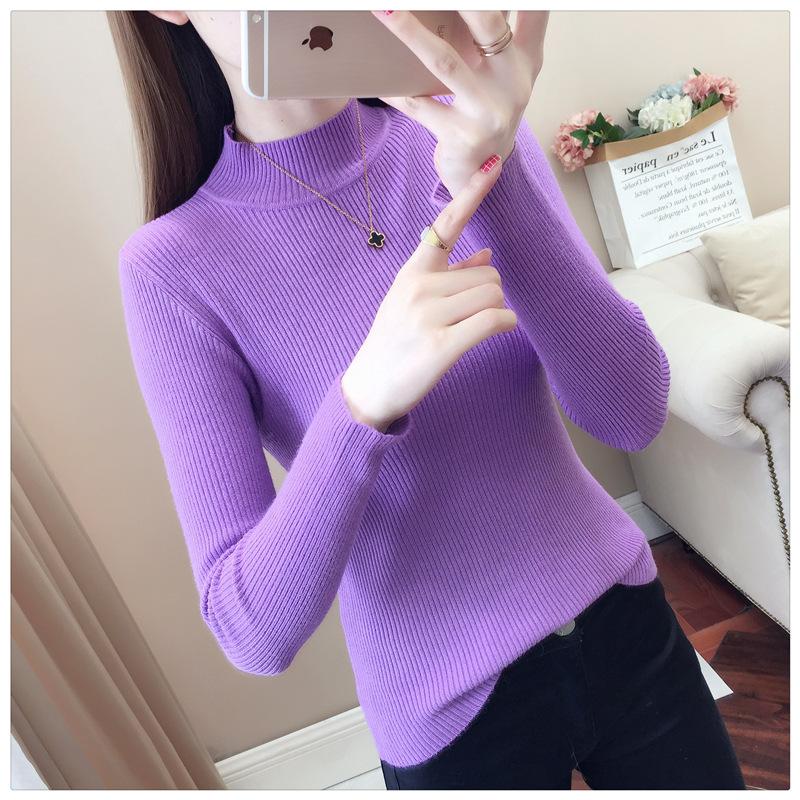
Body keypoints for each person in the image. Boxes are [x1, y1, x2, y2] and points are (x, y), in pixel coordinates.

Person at [107, 10, 746, 790]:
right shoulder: (171, 268)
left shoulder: (469, 129)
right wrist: (361, 403)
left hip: (627, 623)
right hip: (448, 718)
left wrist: (492, 176)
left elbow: (632, 412)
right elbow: (253, 632)